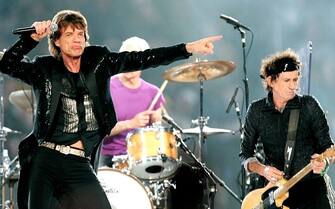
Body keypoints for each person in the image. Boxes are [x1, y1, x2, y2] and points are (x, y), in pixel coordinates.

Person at [0, 9, 222, 209]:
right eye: (69, 34)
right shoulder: (44, 69)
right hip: (45, 159)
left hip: (78, 161)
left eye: (80, 34)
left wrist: (188, 48)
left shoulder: (99, 62)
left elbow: (142, 58)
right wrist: (30, 40)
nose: (77, 39)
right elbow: (6, 64)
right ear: (56, 41)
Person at [240, 48, 334, 209]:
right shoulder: (256, 111)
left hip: (311, 189)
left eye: (295, 80)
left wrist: (324, 163)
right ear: (271, 81)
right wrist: (263, 170)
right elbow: (245, 155)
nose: (293, 86)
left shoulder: (309, 105)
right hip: (276, 192)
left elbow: (328, 148)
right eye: (287, 80)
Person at [100, 36, 165, 168]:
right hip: (109, 159)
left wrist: (155, 127)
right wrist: (131, 123)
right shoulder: (106, 87)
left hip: (142, 158)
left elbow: (159, 135)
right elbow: (98, 130)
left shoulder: (154, 92)